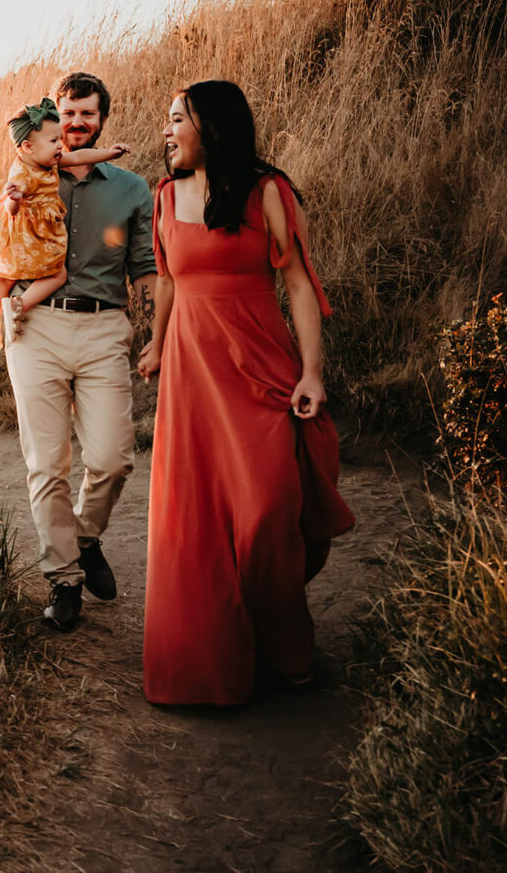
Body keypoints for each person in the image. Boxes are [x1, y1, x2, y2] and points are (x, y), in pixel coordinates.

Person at [137, 80, 356, 704]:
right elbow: (169, 284)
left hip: (260, 370)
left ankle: (285, 637)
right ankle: (209, 661)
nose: (166, 131)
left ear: (212, 126)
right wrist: (156, 342)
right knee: (197, 521)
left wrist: (312, 371)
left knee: (265, 513)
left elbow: (299, 284)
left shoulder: (268, 193)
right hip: (190, 374)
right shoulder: (165, 196)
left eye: (177, 118)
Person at [2, 72, 156, 632]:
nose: (76, 123)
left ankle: (84, 539)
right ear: (55, 119)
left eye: (87, 114)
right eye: (67, 114)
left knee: (113, 460)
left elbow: (145, 269)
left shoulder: (131, 190)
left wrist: (159, 333)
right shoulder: (30, 175)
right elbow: (0, 240)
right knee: (47, 464)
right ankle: (64, 580)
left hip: (103, 329)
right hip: (35, 327)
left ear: (101, 119)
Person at [0, 97, 131, 349]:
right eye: (54, 140)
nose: (60, 145)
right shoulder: (21, 173)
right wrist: (15, 199)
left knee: (6, 276)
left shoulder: (48, 161)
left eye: (59, 139)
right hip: (29, 232)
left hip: (28, 232)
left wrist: (109, 153)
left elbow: (80, 158)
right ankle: (18, 305)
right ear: (27, 147)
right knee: (58, 273)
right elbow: (12, 209)